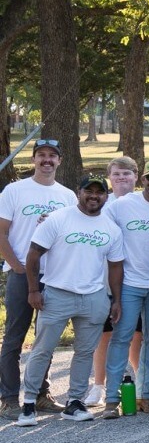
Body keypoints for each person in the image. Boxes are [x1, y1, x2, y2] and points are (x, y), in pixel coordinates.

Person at [14, 174, 126, 426]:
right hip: (57, 293)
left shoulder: (111, 228)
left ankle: (74, 402)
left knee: (85, 352)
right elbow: (33, 255)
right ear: (79, 192)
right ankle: (29, 403)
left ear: (106, 197)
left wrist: (116, 299)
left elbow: (116, 266)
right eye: (89, 191)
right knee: (42, 350)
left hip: (94, 296)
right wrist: (33, 290)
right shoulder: (58, 219)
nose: (94, 196)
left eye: (99, 192)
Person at [0, 139, 77, 418]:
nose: (47, 160)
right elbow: (2, 233)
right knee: (14, 338)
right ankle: (8, 397)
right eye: (41, 155)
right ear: (33, 159)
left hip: (54, 275)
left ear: (59, 161)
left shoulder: (67, 195)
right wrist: (18, 268)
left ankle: (42, 394)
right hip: (22, 273)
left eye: (52, 156)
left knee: (46, 337)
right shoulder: (15, 190)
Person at [99, 159, 149, 417]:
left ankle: (145, 395)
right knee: (121, 337)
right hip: (129, 284)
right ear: (142, 180)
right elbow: (96, 223)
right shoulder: (123, 205)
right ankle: (112, 399)